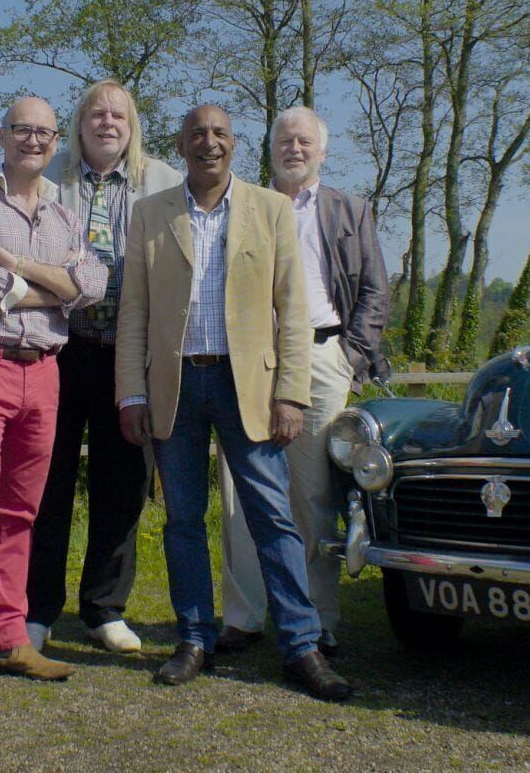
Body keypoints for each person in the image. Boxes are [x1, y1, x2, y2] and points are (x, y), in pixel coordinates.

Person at [113, 104, 353, 701]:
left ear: (235, 144)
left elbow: (292, 312)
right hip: (175, 389)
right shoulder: (150, 213)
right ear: (183, 144)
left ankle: (301, 646)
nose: (209, 143)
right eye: (198, 134)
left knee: (274, 518)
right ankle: (195, 638)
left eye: (219, 133)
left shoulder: (268, 210)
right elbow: (134, 312)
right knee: (183, 521)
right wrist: (132, 393)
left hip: (249, 388)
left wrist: (292, 394)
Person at [0, 95, 108, 720]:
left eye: (43, 131)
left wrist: (25, 275)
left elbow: (93, 286)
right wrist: (53, 290)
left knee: (21, 514)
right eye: (21, 129)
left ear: (56, 140)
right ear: (2, 135)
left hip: (45, 375)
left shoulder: (65, 216)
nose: (32, 140)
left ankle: (8, 636)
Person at [215, 106, 390, 657]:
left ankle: (316, 618)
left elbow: (375, 292)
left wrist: (350, 355)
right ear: (269, 149)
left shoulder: (350, 210)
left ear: (323, 150)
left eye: (305, 140)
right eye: (285, 139)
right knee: (239, 494)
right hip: (243, 360)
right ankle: (244, 616)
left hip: (321, 356)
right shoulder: (237, 205)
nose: (295, 148)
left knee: (312, 495)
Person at [26, 80, 182, 655]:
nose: (107, 122)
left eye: (118, 114)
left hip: (131, 355)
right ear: (80, 122)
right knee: (48, 481)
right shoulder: (49, 179)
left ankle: (104, 608)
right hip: (61, 349)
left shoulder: (163, 182)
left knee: (122, 485)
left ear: (132, 124)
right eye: (97, 113)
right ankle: (37, 608)